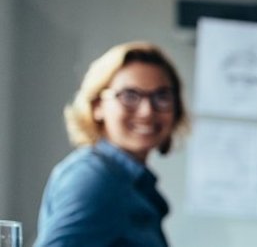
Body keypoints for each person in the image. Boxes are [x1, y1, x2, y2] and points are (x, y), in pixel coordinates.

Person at [36, 42, 189, 247]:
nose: (147, 111)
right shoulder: (94, 179)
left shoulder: (129, 181)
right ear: (97, 105)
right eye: (129, 96)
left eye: (161, 96)